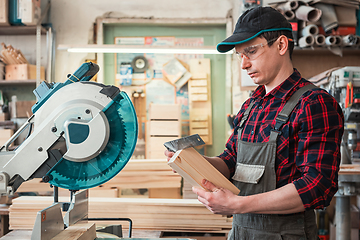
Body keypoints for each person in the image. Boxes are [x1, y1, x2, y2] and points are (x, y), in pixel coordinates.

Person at [165, 6, 344, 240]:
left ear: (281, 45)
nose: (244, 64)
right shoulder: (252, 104)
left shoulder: (314, 104)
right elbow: (230, 161)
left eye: (250, 51)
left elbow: (317, 185)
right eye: (240, 55)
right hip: (241, 232)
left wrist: (238, 205)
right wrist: (192, 160)